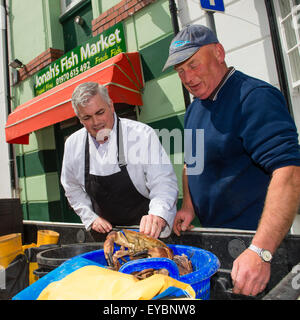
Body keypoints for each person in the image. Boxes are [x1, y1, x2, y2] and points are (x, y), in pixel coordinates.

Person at [163, 24, 300, 296]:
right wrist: (188, 206)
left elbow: (290, 172)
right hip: (215, 245)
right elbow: (192, 163)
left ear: (219, 52)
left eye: (193, 65)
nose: (187, 78)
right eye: (180, 72)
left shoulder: (253, 97)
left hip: (255, 250)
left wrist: (260, 252)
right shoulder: (193, 110)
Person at [61, 82, 178, 240]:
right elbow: (71, 187)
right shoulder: (73, 145)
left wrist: (158, 214)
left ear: (111, 105)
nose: (96, 122)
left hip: (147, 233)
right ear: (80, 119)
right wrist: (90, 217)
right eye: (87, 117)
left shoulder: (141, 135)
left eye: (100, 112)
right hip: (104, 237)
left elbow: (163, 182)